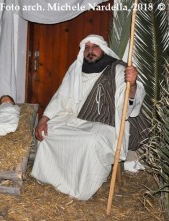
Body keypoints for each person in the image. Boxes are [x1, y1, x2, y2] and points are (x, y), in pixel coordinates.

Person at [31, 35, 146, 200]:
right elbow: (61, 96)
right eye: (87, 47)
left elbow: (128, 100)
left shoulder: (118, 69)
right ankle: (50, 179)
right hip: (76, 118)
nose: (90, 51)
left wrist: (132, 84)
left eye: (95, 47)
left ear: (103, 50)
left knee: (91, 141)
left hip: (106, 123)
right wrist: (44, 119)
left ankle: (79, 189)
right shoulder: (76, 68)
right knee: (50, 132)